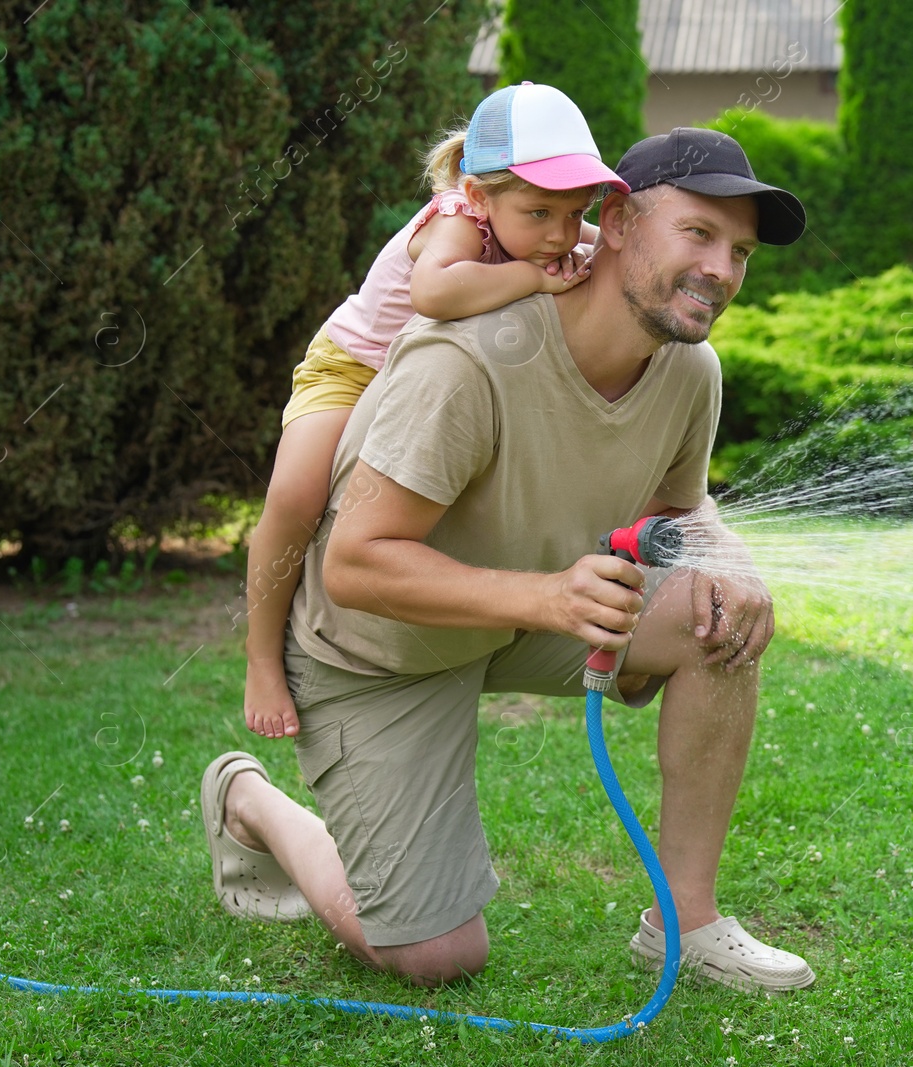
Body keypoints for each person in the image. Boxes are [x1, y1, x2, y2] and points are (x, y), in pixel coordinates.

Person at [200, 127, 817, 995]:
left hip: (528, 612)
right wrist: (546, 596)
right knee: (435, 958)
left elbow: (681, 506)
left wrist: (730, 559)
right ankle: (253, 803)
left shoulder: (689, 370)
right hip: (378, 648)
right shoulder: (468, 357)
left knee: (725, 620)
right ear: (615, 221)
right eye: (698, 233)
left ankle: (686, 920)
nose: (721, 268)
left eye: (741, 250)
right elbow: (354, 566)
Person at [242, 82, 628, 741]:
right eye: (540, 214)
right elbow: (436, 290)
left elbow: (600, 245)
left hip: (422, 390)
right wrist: (536, 277)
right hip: (354, 368)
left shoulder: (542, 223)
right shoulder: (458, 216)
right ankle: (259, 658)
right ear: (480, 195)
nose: (562, 234)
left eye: (576, 213)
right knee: (297, 494)